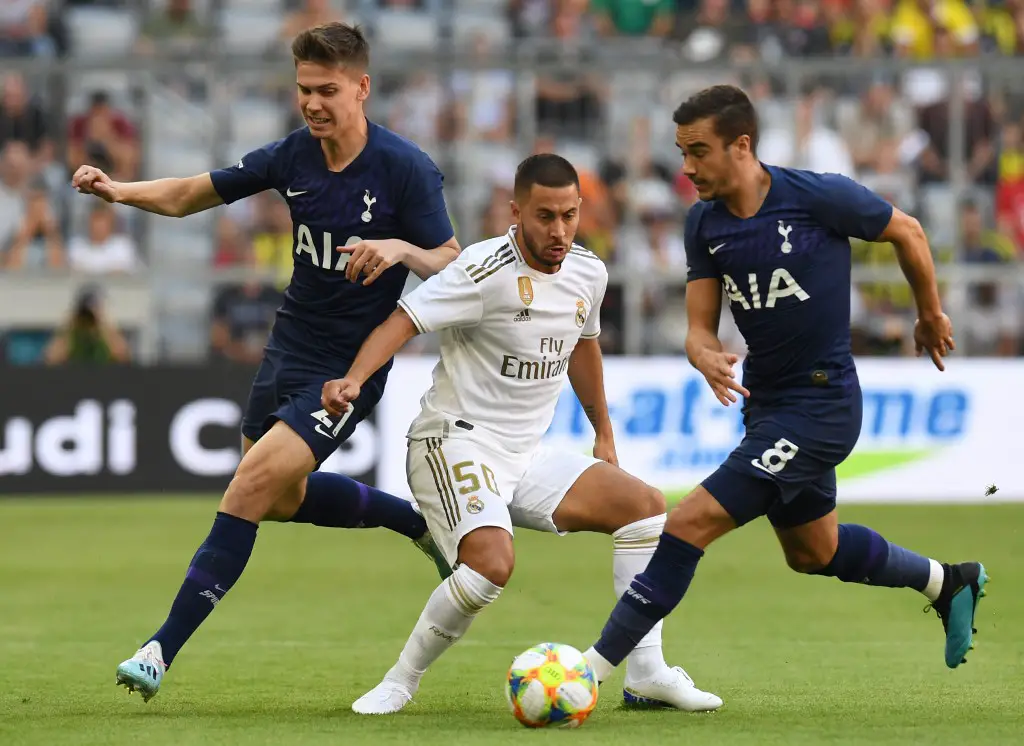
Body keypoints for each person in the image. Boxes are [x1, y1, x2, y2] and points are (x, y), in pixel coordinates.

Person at [71, 22, 462, 702]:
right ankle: (415, 523)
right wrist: (119, 191)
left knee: (248, 486)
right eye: (304, 88)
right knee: (279, 499)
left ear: (362, 88)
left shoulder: (405, 169)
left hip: (348, 369)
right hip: (288, 350)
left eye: (327, 90)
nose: (312, 103)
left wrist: (402, 249)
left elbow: (453, 265)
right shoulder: (292, 157)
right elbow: (192, 194)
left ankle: (159, 648)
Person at [573, 85, 987, 692]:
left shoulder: (817, 197)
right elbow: (698, 327)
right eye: (682, 153)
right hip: (767, 406)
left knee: (688, 521)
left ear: (741, 145)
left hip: (822, 405)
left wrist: (929, 312)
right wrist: (703, 354)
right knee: (814, 552)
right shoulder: (704, 223)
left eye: (698, 152)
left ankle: (587, 673)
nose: (687, 168)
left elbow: (909, 231)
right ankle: (948, 582)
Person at [321, 154, 723, 716]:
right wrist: (353, 379)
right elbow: (404, 320)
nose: (559, 230)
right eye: (545, 216)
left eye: (569, 215)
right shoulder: (482, 269)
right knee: (491, 565)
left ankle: (647, 672)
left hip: (525, 454)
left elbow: (583, 346)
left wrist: (603, 433)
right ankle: (399, 681)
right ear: (516, 212)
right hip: (451, 440)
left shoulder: (588, 272)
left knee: (646, 509)